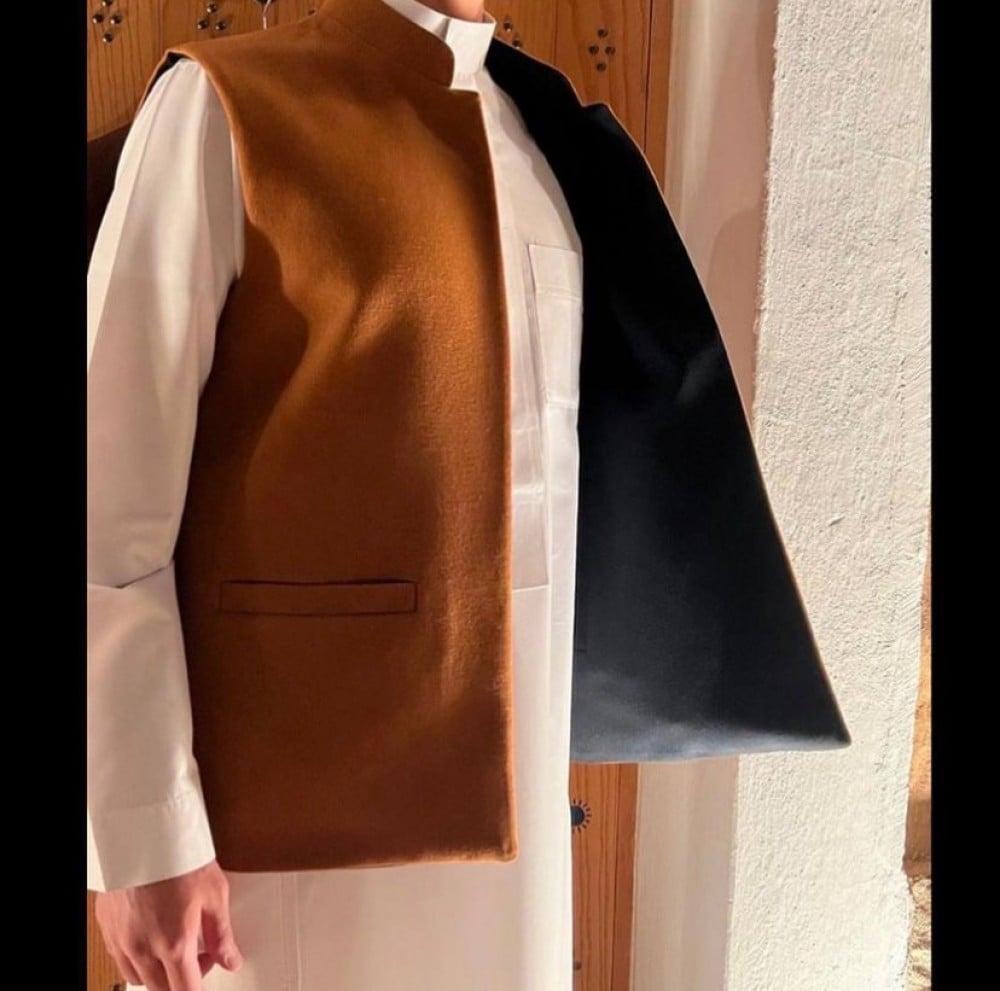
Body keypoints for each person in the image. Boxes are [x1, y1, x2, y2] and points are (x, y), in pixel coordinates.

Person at [88, 1, 584, 988]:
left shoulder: (539, 133)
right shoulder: (227, 107)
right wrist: (140, 833)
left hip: (522, 790)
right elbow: (106, 495)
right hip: (285, 835)